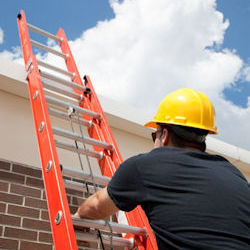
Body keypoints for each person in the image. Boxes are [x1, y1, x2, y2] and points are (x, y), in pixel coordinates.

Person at [75, 88, 250, 249]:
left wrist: (78, 216)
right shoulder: (233, 173)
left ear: (164, 135)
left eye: (154, 135)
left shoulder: (145, 165)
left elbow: (97, 206)